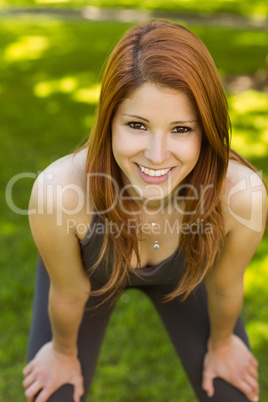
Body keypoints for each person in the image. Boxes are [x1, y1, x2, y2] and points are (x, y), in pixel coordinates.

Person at [22, 19, 266, 402]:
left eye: (182, 129)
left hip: (187, 278)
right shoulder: (59, 193)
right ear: (109, 122)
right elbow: (69, 292)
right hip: (86, 280)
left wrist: (222, 347)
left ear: (207, 128)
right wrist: (63, 354)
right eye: (137, 124)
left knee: (231, 393)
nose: (156, 155)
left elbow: (224, 286)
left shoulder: (240, 195)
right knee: (55, 393)